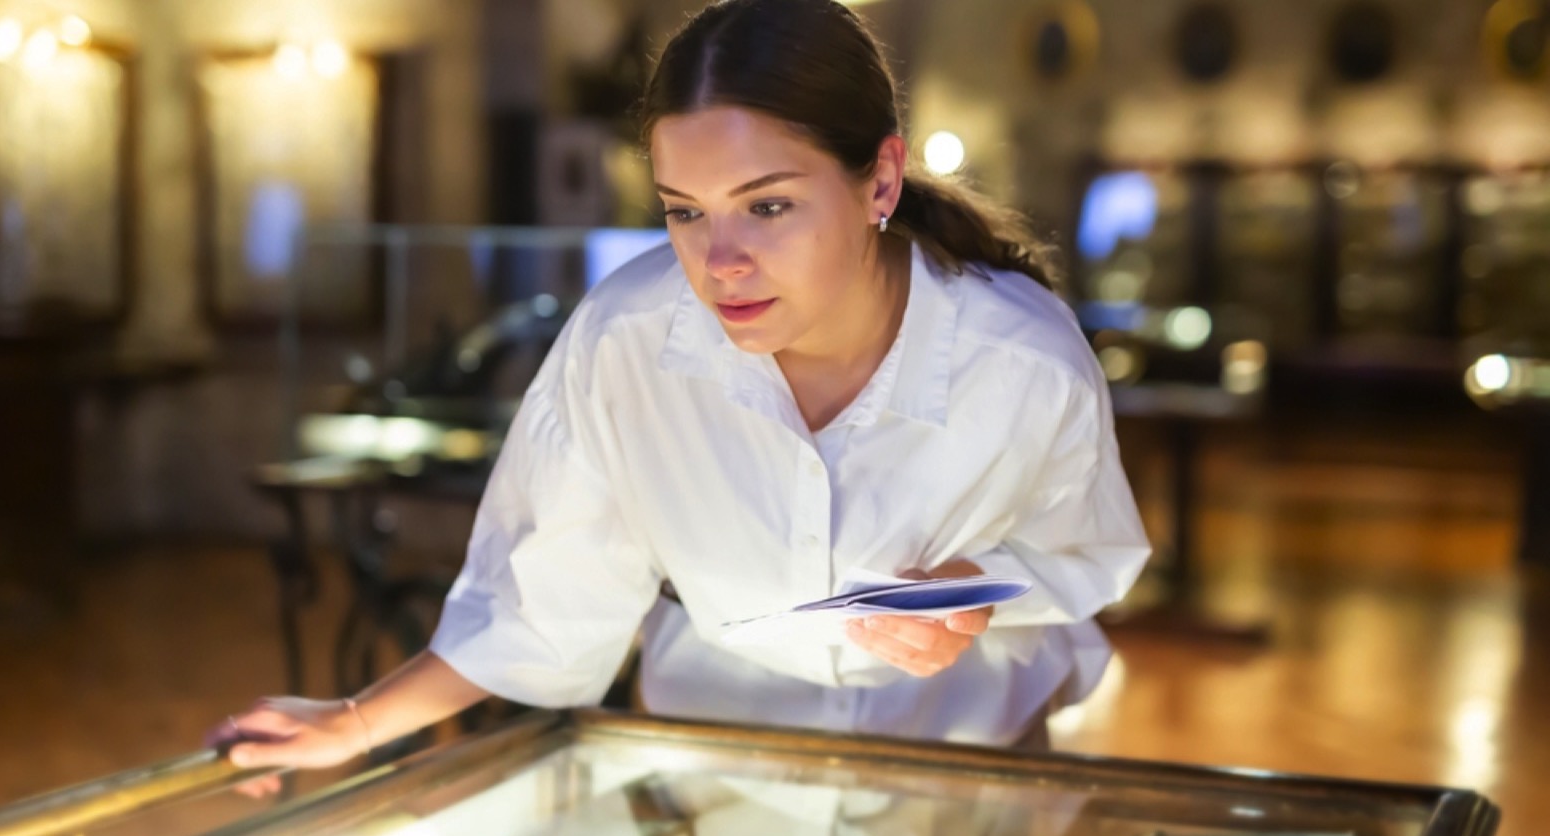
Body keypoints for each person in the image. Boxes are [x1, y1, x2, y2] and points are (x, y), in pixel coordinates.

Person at [211, 0, 1149, 777]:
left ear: (881, 181)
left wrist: (975, 591)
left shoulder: (1021, 361)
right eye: (685, 213)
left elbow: (1083, 550)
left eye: (768, 205)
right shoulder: (627, 341)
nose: (721, 262)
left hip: (962, 764)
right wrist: (354, 723)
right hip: (718, 759)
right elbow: (543, 592)